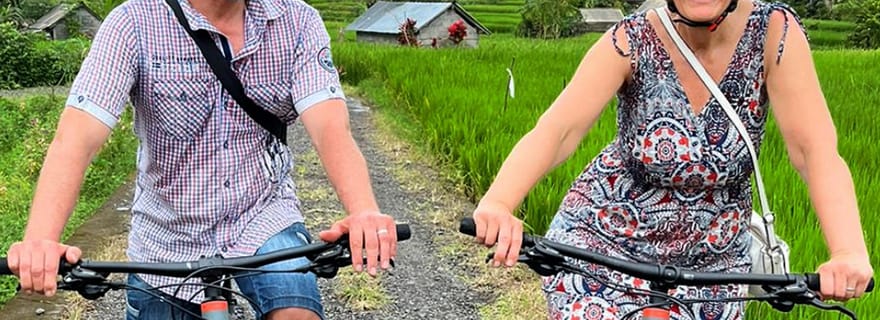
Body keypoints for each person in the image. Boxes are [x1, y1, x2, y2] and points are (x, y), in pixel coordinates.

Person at [471, 0, 873, 318]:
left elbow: (814, 150)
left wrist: (847, 252)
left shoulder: (773, 33)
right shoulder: (630, 39)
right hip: (606, 241)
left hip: (713, 260)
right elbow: (557, 130)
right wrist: (500, 203)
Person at [3, 0, 400, 319]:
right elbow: (77, 137)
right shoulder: (133, 24)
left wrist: (364, 211)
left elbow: (331, 128)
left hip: (263, 215)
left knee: (295, 309)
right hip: (167, 231)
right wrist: (41, 239)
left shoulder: (297, 21)